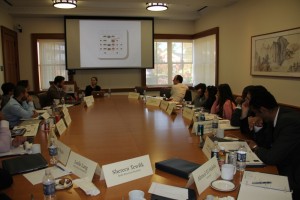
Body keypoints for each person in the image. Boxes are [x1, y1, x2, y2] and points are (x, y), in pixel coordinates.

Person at [247, 86, 300, 200]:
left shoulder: (289, 122)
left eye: (257, 113)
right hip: (282, 165)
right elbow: (266, 144)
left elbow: (272, 157)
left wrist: (255, 147)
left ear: (263, 110)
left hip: (293, 176)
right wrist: (257, 128)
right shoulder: (276, 116)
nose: (256, 117)